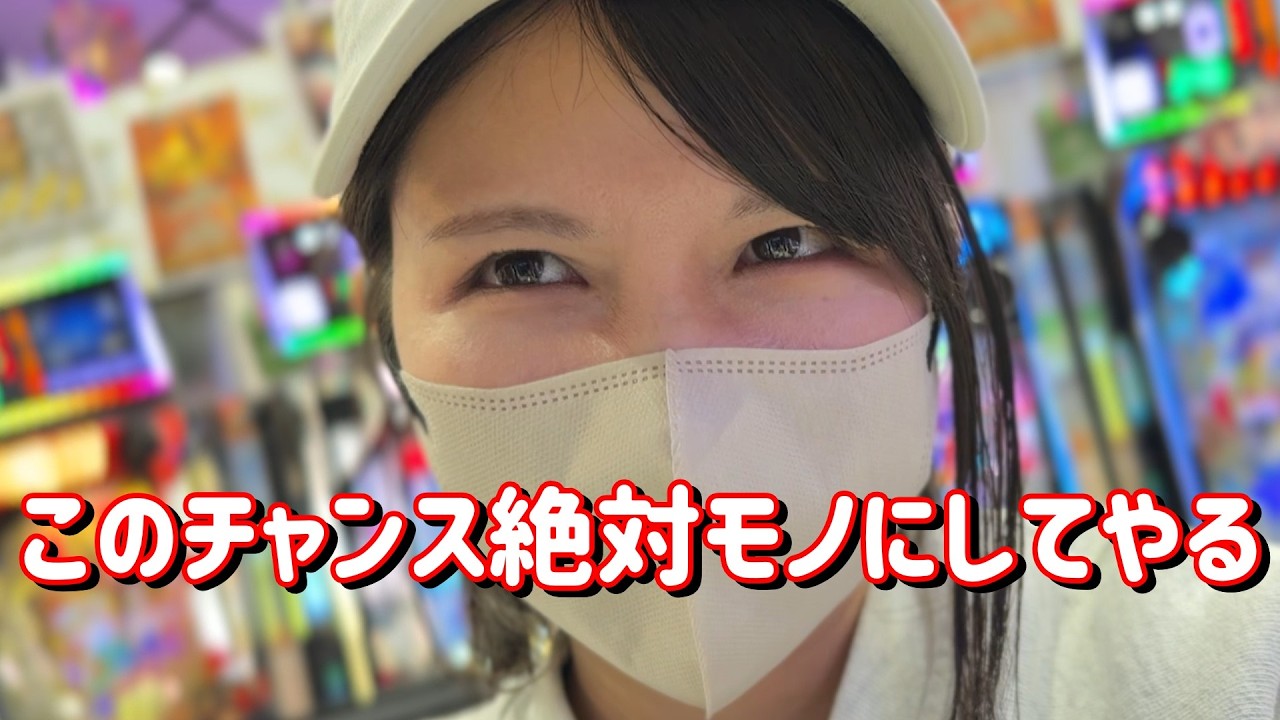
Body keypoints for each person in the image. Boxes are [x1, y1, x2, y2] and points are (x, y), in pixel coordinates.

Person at [313, 1, 1280, 718]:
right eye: (522, 267)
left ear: (931, 274)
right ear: (392, 330)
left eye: (785, 241)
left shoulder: (1218, 668)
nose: (674, 383)